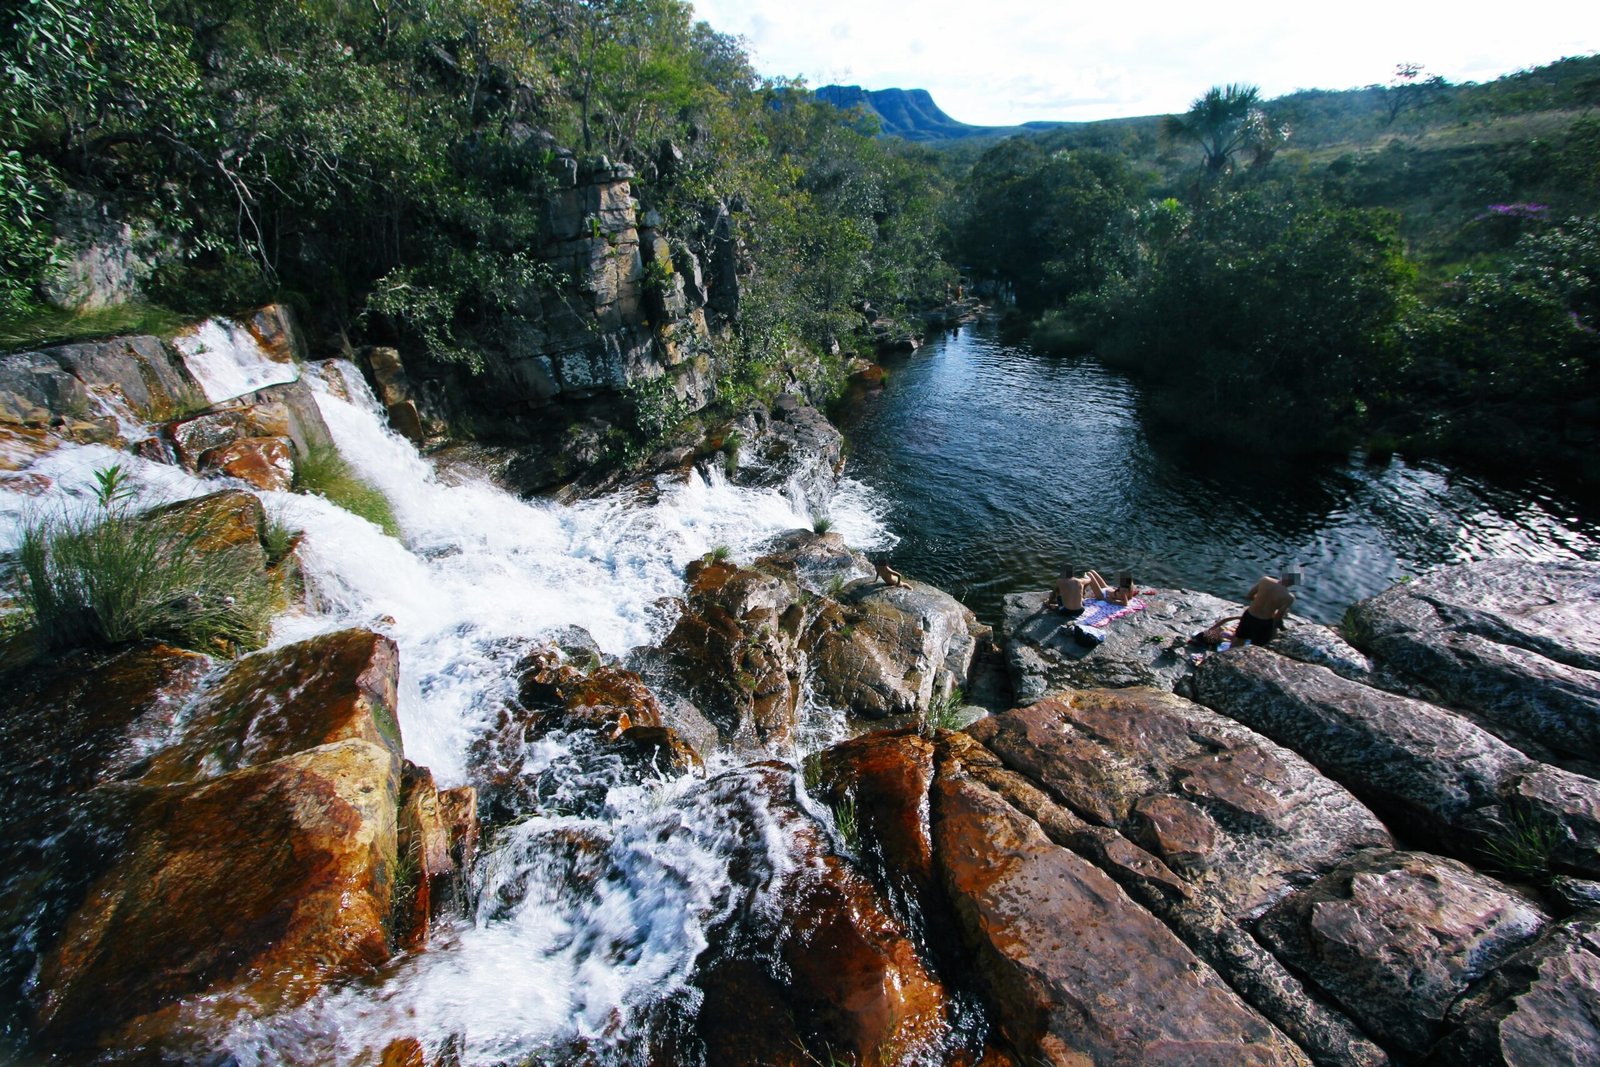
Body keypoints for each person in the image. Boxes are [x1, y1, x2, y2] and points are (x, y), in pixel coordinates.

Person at [1234, 568, 1299, 646]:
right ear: (1295, 583)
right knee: (1256, 646)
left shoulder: (1265, 580)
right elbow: (1278, 618)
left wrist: (1259, 602)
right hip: (1264, 622)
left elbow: (1249, 596)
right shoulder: (1289, 597)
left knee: (1239, 640)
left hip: (1249, 615)